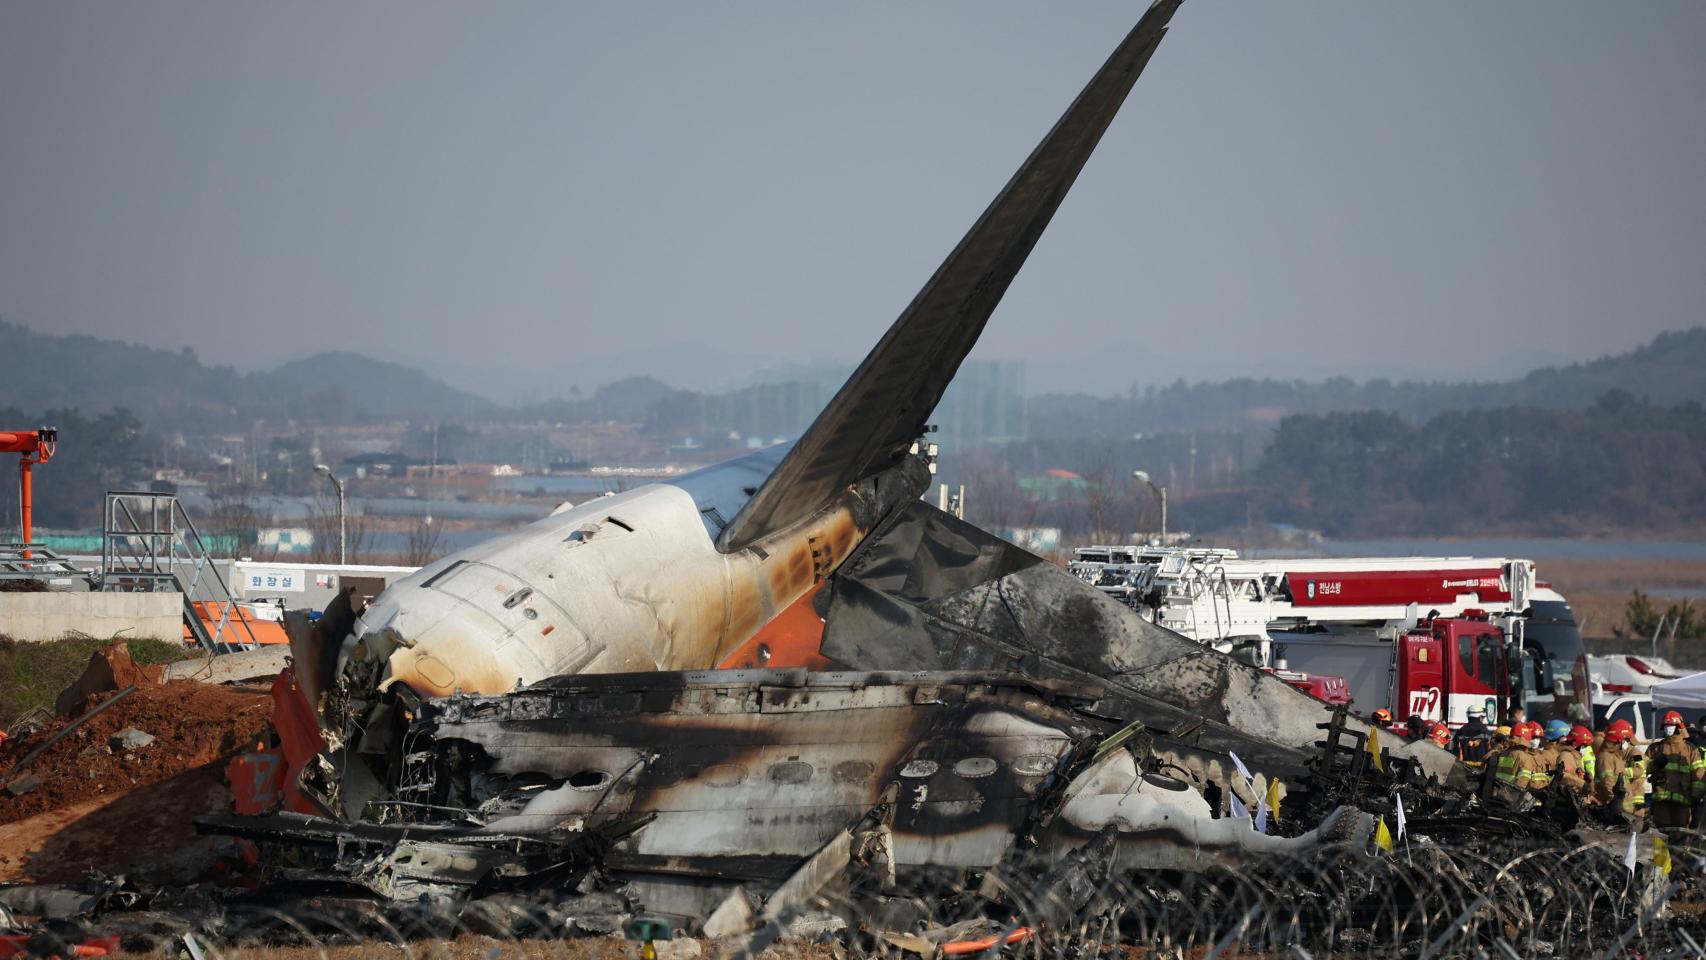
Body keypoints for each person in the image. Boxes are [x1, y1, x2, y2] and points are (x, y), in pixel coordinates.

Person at [1645, 710, 1705, 829]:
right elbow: (1642, 770)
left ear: (1679, 727)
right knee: (1661, 835)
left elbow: (1698, 774)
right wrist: (1655, 765)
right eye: (1666, 726)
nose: (1668, 729)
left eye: (1671, 726)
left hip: (1682, 802)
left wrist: (1696, 796)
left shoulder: (1690, 750)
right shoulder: (1655, 748)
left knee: (1680, 834)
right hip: (1661, 801)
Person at [1592, 719, 1646, 821]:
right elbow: (1608, 784)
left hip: (1626, 810)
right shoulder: (1606, 758)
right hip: (1619, 811)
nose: (1626, 743)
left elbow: (1638, 771)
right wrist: (1616, 806)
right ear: (1619, 740)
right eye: (1626, 740)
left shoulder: (1621, 756)